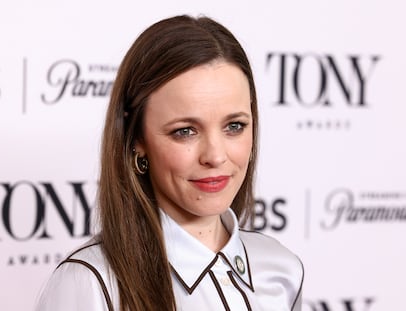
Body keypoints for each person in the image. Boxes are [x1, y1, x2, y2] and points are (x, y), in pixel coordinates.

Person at [35, 15, 303, 311]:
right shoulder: (91, 284)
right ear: (137, 138)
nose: (215, 156)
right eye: (185, 131)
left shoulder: (282, 270)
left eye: (235, 126)